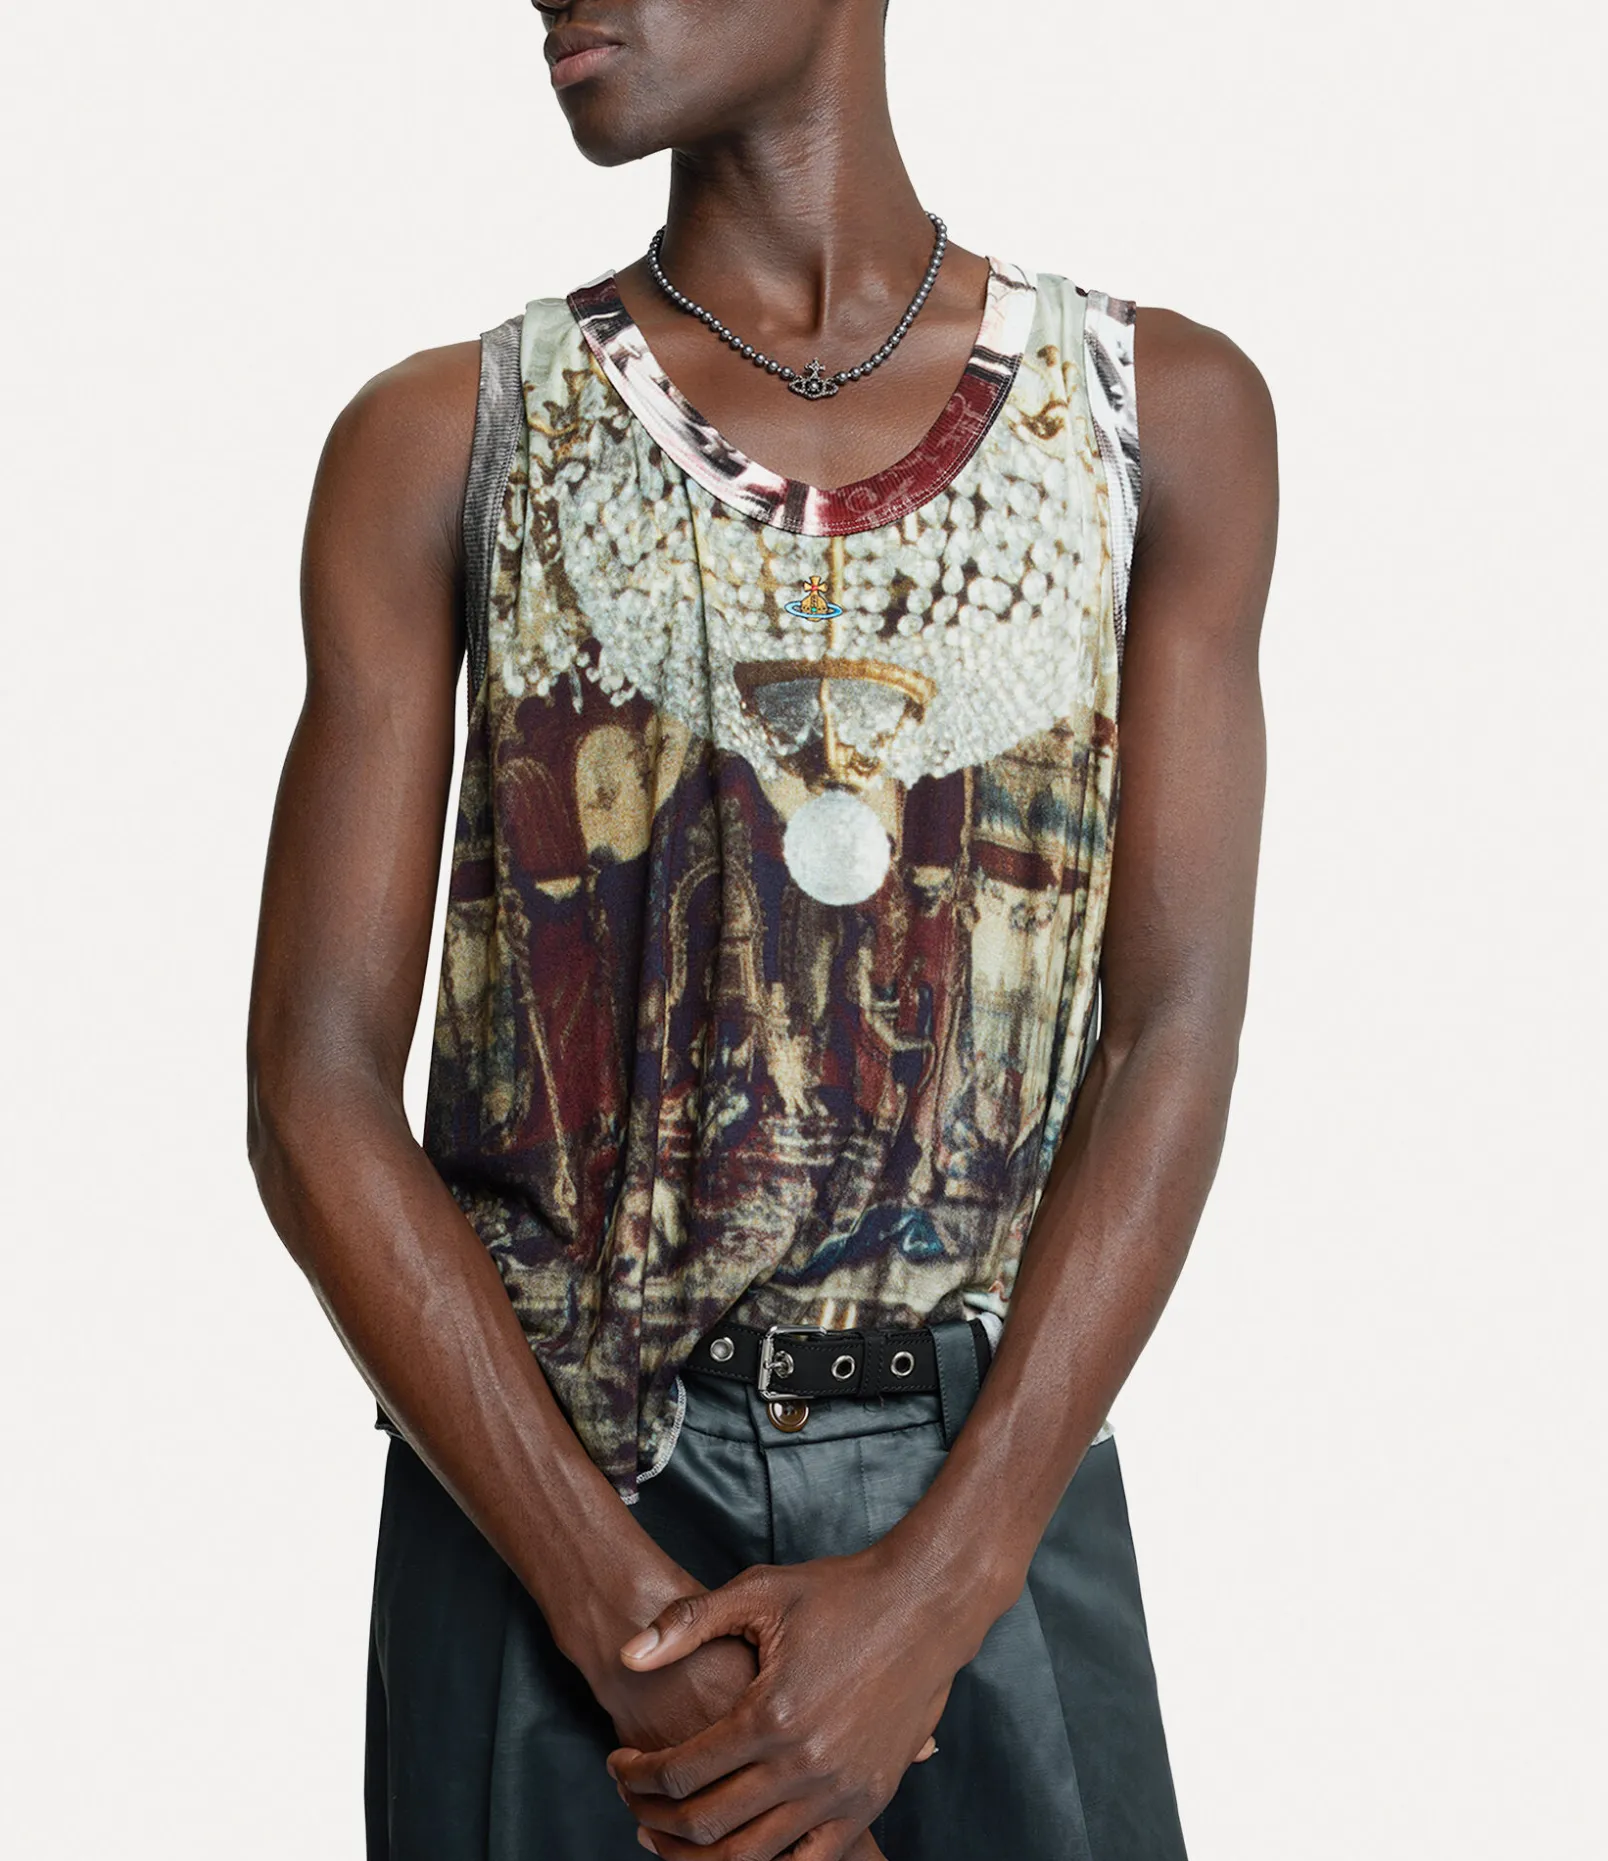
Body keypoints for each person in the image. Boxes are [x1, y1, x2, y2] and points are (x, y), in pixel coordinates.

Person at [246, 1, 1277, 1855]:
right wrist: (625, 1631)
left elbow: (1170, 1038)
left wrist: (938, 1601)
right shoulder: (447, 439)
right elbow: (311, 1087)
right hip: (543, 1519)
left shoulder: (1154, 417)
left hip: (983, 1502)